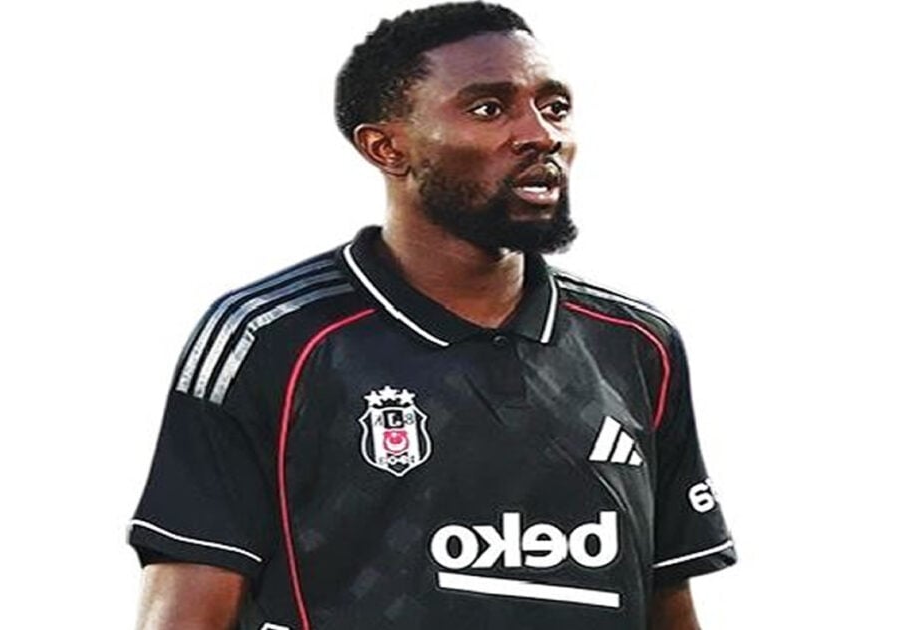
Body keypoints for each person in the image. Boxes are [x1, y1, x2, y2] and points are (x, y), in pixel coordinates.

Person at [128, 3, 735, 629]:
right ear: (387, 147)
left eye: (554, 107)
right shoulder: (271, 337)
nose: (540, 134)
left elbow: (668, 602)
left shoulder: (636, 345)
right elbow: (186, 615)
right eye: (489, 109)